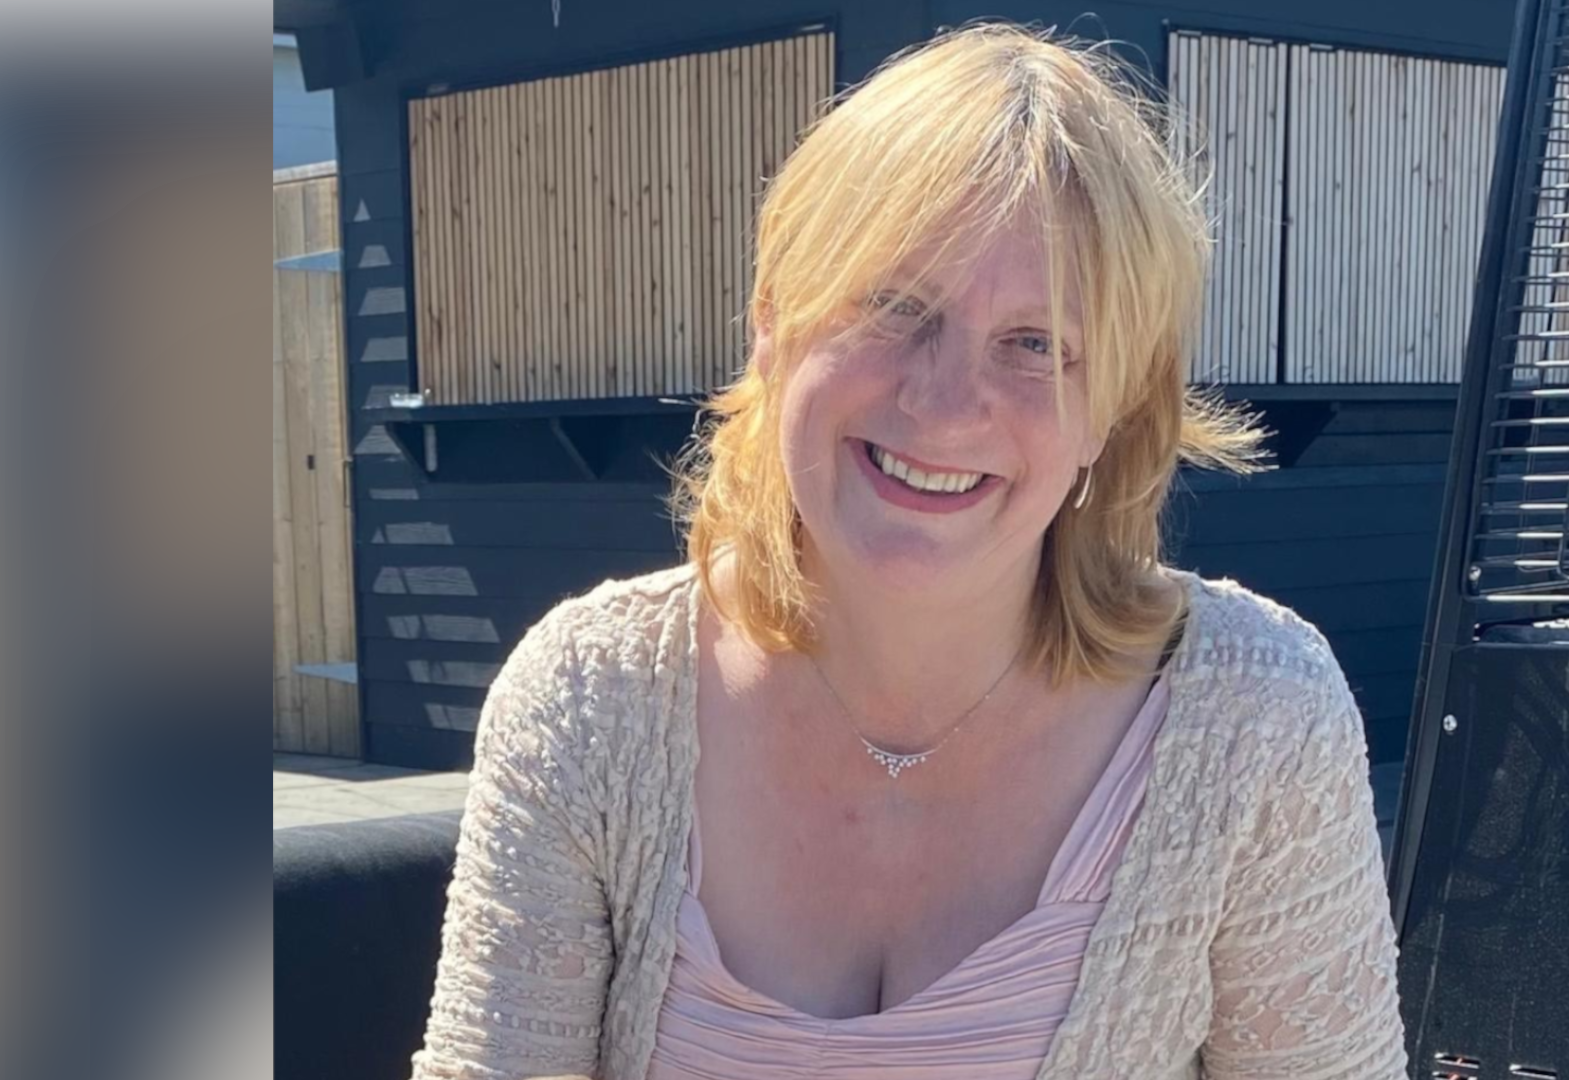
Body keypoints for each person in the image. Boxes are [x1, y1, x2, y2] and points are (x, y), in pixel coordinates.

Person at [411, 22, 1406, 1080]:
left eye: (1035, 343)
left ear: (1111, 407)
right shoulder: (590, 699)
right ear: (771, 321)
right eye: (895, 306)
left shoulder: (1257, 719)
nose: (944, 403)